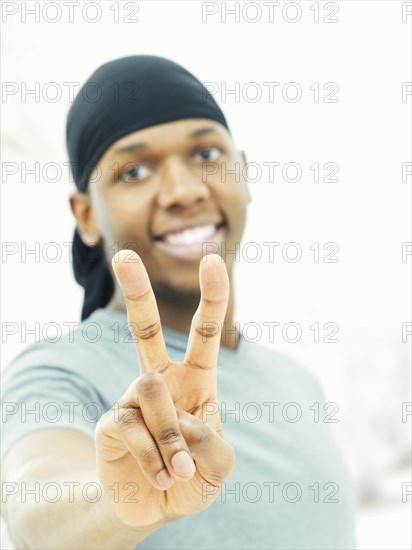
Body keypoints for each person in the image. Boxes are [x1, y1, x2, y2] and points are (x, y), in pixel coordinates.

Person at [1, 55, 356, 549]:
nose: (184, 191)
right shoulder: (59, 371)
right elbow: (35, 503)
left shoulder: (297, 381)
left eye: (207, 155)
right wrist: (118, 502)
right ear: (86, 215)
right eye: (136, 170)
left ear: (245, 173)